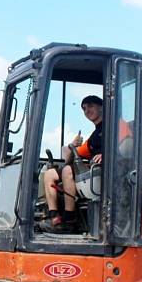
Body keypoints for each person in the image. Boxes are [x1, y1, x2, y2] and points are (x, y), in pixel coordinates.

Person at [40, 94, 104, 233]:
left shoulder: (116, 127)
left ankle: (69, 219)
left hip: (103, 173)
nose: (87, 111)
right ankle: (54, 216)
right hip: (91, 172)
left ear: (102, 107)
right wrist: (72, 146)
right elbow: (70, 158)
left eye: (90, 106)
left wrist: (106, 155)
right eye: (84, 108)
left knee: (67, 170)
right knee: (49, 173)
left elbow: (128, 145)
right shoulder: (93, 137)